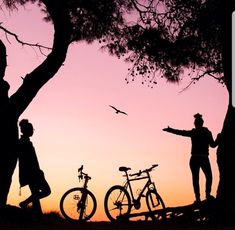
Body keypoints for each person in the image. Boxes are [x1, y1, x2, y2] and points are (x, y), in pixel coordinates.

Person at [163, 113, 219, 203]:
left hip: (195, 159)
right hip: (203, 158)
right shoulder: (207, 132)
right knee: (209, 177)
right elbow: (213, 145)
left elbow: (181, 132)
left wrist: (170, 130)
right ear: (202, 123)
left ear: (195, 123)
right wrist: (219, 137)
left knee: (195, 178)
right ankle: (207, 195)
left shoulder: (194, 132)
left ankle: (198, 198)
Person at [18, 119, 51, 217]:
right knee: (46, 191)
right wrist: (38, 172)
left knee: (35, 194)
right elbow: (28, 161)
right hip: (33, 173)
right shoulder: (24, 143)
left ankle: (37, 214)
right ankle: (24, 203)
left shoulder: (25, 142)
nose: (33, 131)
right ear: (28, 130)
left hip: (32, 173)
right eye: (32, 129)